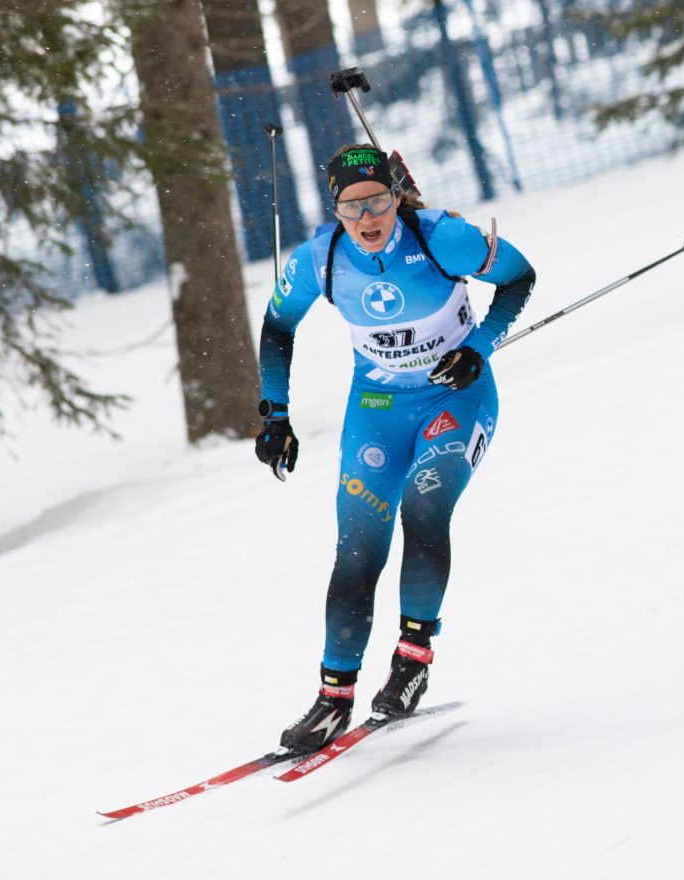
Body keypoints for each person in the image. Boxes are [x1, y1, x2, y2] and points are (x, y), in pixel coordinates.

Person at [255, 144, 534, 754]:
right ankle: (333, 699)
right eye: (351, 207)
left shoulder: (442, 238)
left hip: (453, 402)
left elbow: (518, 277)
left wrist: (479, 346)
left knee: (424, 507)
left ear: (396, 196)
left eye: (378, 200)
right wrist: (276, 414)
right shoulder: (321, 259)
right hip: (376, 411)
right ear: (335, 210)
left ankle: (411, 662)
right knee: (357, 547)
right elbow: (278, 328)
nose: (367, 217)